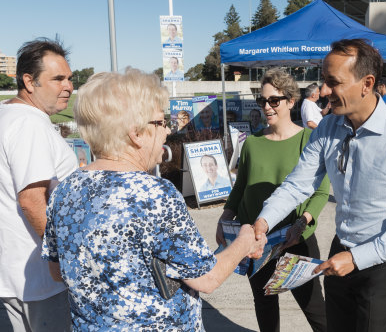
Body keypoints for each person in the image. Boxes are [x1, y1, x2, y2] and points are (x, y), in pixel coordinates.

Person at [41, 68, 265, 331]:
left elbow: (58, 272)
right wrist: (243, 241)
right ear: (135, 133)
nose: (167, 132)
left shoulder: (65, 189)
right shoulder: (155, 194)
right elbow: (207, 278)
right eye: (160, 123)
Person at [252, 39, 386, 332]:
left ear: (367, 83)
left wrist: (357, 258)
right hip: (341, 252)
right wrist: (263, 222)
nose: (323, 91)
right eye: (323, 81)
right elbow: (299, 184)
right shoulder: (328, 127)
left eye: (332, 82)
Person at [218, 68, 330, 332]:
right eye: (262, 100)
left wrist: (302, 224)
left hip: (296, 238)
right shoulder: (252, 143)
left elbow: (321, 192)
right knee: (265, 308)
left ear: (291, 101)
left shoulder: (308, 139)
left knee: (316, 311)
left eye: (274, 100)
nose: (267, 107)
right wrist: (225, 217)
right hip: (257, 242)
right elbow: (241, 187)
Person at [0, 38, 76, 332]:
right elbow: (32, 200)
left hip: (17, 272)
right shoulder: (28, 123)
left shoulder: (7, 114)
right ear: (29, 81)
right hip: (41, 278)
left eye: (70, 78)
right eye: (57, 79)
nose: (68, 86)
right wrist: (63, 256)